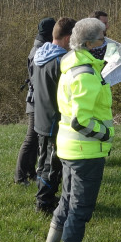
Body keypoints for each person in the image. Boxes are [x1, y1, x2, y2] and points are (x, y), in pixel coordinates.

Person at [39, 17, 115, 242]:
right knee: (80, 208)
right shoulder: (85, 74)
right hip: (86, 151)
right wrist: (105, 134)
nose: (105, 43)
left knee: (66, 202)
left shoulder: (72, 64)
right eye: (102, 39)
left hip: (69, 148)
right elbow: (81, 121)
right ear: (89, 43)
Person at [30, 17, 75, 214]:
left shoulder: (40, 55)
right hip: (54, 120)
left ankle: (45, 195)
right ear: (67, 39)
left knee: (44, 161)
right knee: (52, 164)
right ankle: (45, 203)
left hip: (40, 117)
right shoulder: (60, 61)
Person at [16, 18, 55, 185]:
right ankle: (19, 176)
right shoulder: (38, 51)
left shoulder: (40, 48)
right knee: (31, 139)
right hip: (35, 101)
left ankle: (30, 173)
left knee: (36, 139)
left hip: (38, 100)